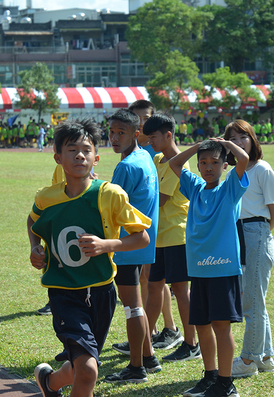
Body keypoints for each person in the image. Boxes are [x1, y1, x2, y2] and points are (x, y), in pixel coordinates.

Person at [28, 118, 151, 397]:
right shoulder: (46, 198)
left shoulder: (110, 194)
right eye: (72, 150)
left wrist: (108, 244)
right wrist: (35, 247)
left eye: (86, 149)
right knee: (89, 370)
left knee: (84, 366)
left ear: (96, 157)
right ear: (58, 157)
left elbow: (142, 237)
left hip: (101, 292)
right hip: (64, 293)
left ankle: (49, 382)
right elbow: (32, 220)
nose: (80, 155)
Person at [168, 137, 249, 397]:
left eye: (215, 162)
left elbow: (244, 160)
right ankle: (210, 376)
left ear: (225, 165)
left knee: (221, 326)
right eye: (203, 163)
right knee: (202, 324)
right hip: (199, 270)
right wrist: (199, 146)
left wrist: (224, 143)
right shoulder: (195, 188)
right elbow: (175, 162)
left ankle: (226, 384)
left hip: (222, 269)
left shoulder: (229, 189)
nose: (208, 167)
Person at [221, 120, 274, 381]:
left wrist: (266, 237)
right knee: (255, 300)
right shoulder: (233, 174)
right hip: (240, 235)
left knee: (252, 303)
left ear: (253, 140)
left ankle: (247, 360)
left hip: (256, 234)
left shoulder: (263, 170)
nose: (238, 142)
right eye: (232, 139)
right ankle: (266, 357)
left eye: (242, 137)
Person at [104, 109, 161, 383]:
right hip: (141, 243)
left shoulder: (126, 166)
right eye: (111, 132)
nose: (114, 138)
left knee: (132, 307)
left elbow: (110, 207)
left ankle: (136, 368)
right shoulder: (145, 159)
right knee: (135, 304)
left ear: (136, 133)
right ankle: (149, 357)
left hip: (127, 244)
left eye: (121, 133)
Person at [142, 112, 201, 362]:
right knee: (154, 287)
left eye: (153, 137)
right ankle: (144, 337)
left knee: (180, 289)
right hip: (159, 237)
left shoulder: (180, 163)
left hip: (177, 234)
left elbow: (160, 199)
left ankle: (191, 343)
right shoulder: (156, 158)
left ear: (168, 135)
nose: (150, 142)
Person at [126, 100, 178, 350]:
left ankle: (169, 327)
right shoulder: (142, 150)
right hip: (145, 223)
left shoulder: (156, 151)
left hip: (158, 225)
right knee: (148, 279)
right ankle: (153, 328)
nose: (142, 123)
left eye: (145, 118)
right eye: (137, 119)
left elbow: (159, 195)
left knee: (155, 278)